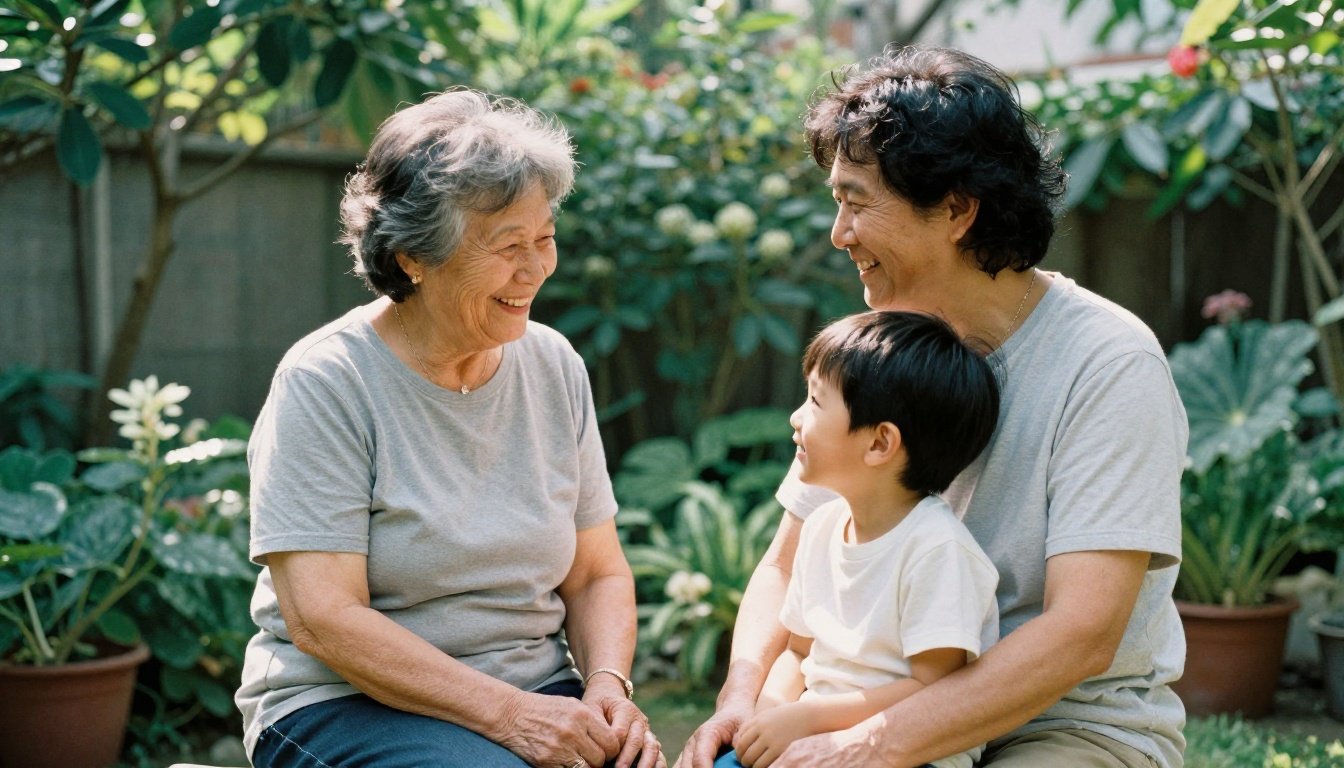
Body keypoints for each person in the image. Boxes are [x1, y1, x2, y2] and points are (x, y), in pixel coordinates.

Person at [677, 45, 1188, 768]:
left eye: (856, 201)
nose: (838, 234)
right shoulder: (877, 351)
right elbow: (786, 566)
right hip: (870, 703)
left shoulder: (1109, 363)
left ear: (955, 209)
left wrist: (860, 749)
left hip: (1063, 726)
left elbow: (1082, 633)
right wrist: (745, 700)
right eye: (837, 202)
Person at [235, 90, 663, 768]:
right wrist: (511, 716)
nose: (535, 269)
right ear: (412, 256)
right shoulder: (326, 382)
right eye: (507, 246)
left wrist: (607, 685)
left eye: (544, 238)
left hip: (536, 689)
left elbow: (595, 573)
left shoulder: (552, 364)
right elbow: (323, 618)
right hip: (346, 706)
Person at [716, 311, 1001, 768]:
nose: (795, 417)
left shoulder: (936, 549)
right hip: (811, 739)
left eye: (814, 401)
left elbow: (935, 689)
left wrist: (808, 718)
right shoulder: (821, 528)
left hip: (906, 751)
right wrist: (768, 720)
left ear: (879, 444)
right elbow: (798, 650)